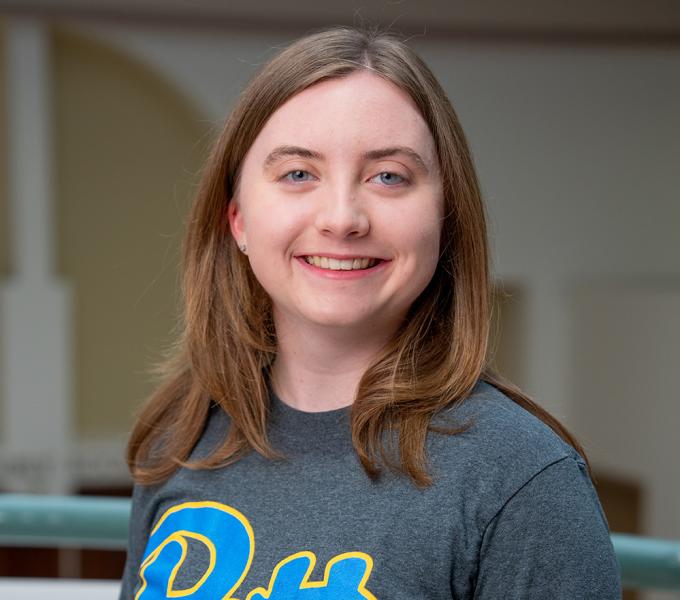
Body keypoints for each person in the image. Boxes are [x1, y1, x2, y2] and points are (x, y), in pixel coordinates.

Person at [119, 26, 621, 599]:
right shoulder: (179, 439)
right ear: (237, 220)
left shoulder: (523, 481)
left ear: (444, 218)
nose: (342, 218)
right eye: (298, 174)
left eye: (388, 176)